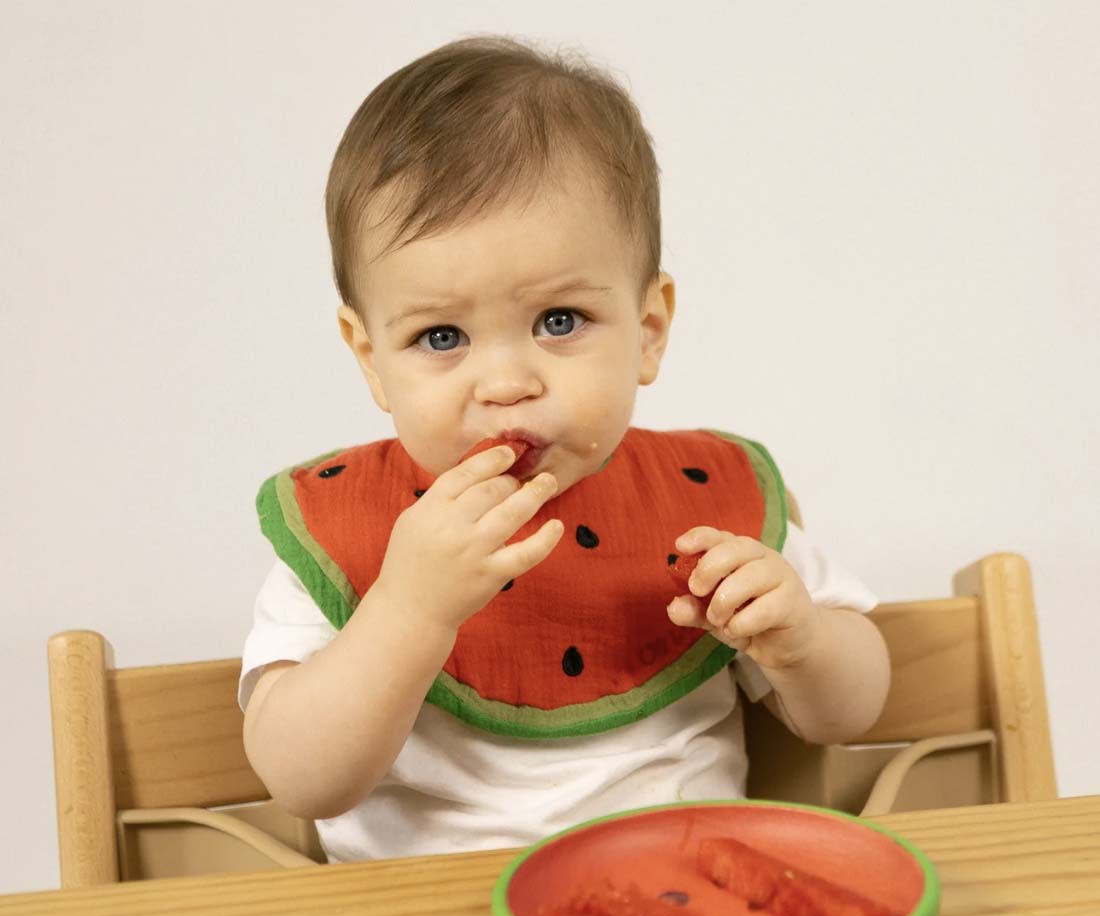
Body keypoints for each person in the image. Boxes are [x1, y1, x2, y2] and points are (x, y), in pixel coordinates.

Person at [239, 35, 891, 863]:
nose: (506, 381)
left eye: (559, 321)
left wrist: (803, 640)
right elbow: (303, 780)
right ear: (371, 359)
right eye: (442, 335)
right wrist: (407, 611)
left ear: (649, 331)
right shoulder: (340, 529)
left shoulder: (709, 504)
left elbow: (851, 711)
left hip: (680, 906)